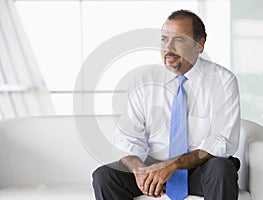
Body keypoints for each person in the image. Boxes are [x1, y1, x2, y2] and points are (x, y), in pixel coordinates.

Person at [92, 9, 241, 200]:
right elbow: (127, 140)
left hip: (198, 171)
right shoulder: (144, 82)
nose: (168, 48)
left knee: (221, 168)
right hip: (152, 171)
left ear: (199, 44)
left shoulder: (223, 81)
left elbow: (221, 142)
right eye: (164, 39)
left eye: (178, 40)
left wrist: (173, 165)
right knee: (105, 176)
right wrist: (139, 171)